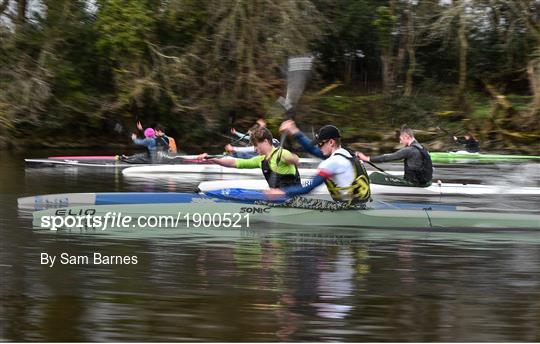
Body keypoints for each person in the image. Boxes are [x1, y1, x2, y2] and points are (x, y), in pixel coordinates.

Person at [266, 125, 371, 207]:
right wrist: (294, 131)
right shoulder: (348, 154)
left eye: (320, 143)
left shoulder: (332, 162)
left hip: (350, 210)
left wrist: (281, 192)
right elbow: (311, 149)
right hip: (362, 205)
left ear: (331, 142)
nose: (318, 147)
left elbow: (308, 188)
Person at [199, 127, 301, 188]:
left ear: (265, 142)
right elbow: (234, 163)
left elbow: (296, 159)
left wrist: (291, 159)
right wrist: (210, 158)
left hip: (295, 201)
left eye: (256, 145)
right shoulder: (260, 160)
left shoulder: (281, 153)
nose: (255, 149)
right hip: (278, 200)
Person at [356, 125, 433, 187]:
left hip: (415, 183)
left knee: (374, 176)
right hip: (425, 180)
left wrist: (367, 158)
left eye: (401, 139)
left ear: (406, 137)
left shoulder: (409, 150)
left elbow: (388, 157)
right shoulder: (422, 147)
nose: (400, 142)